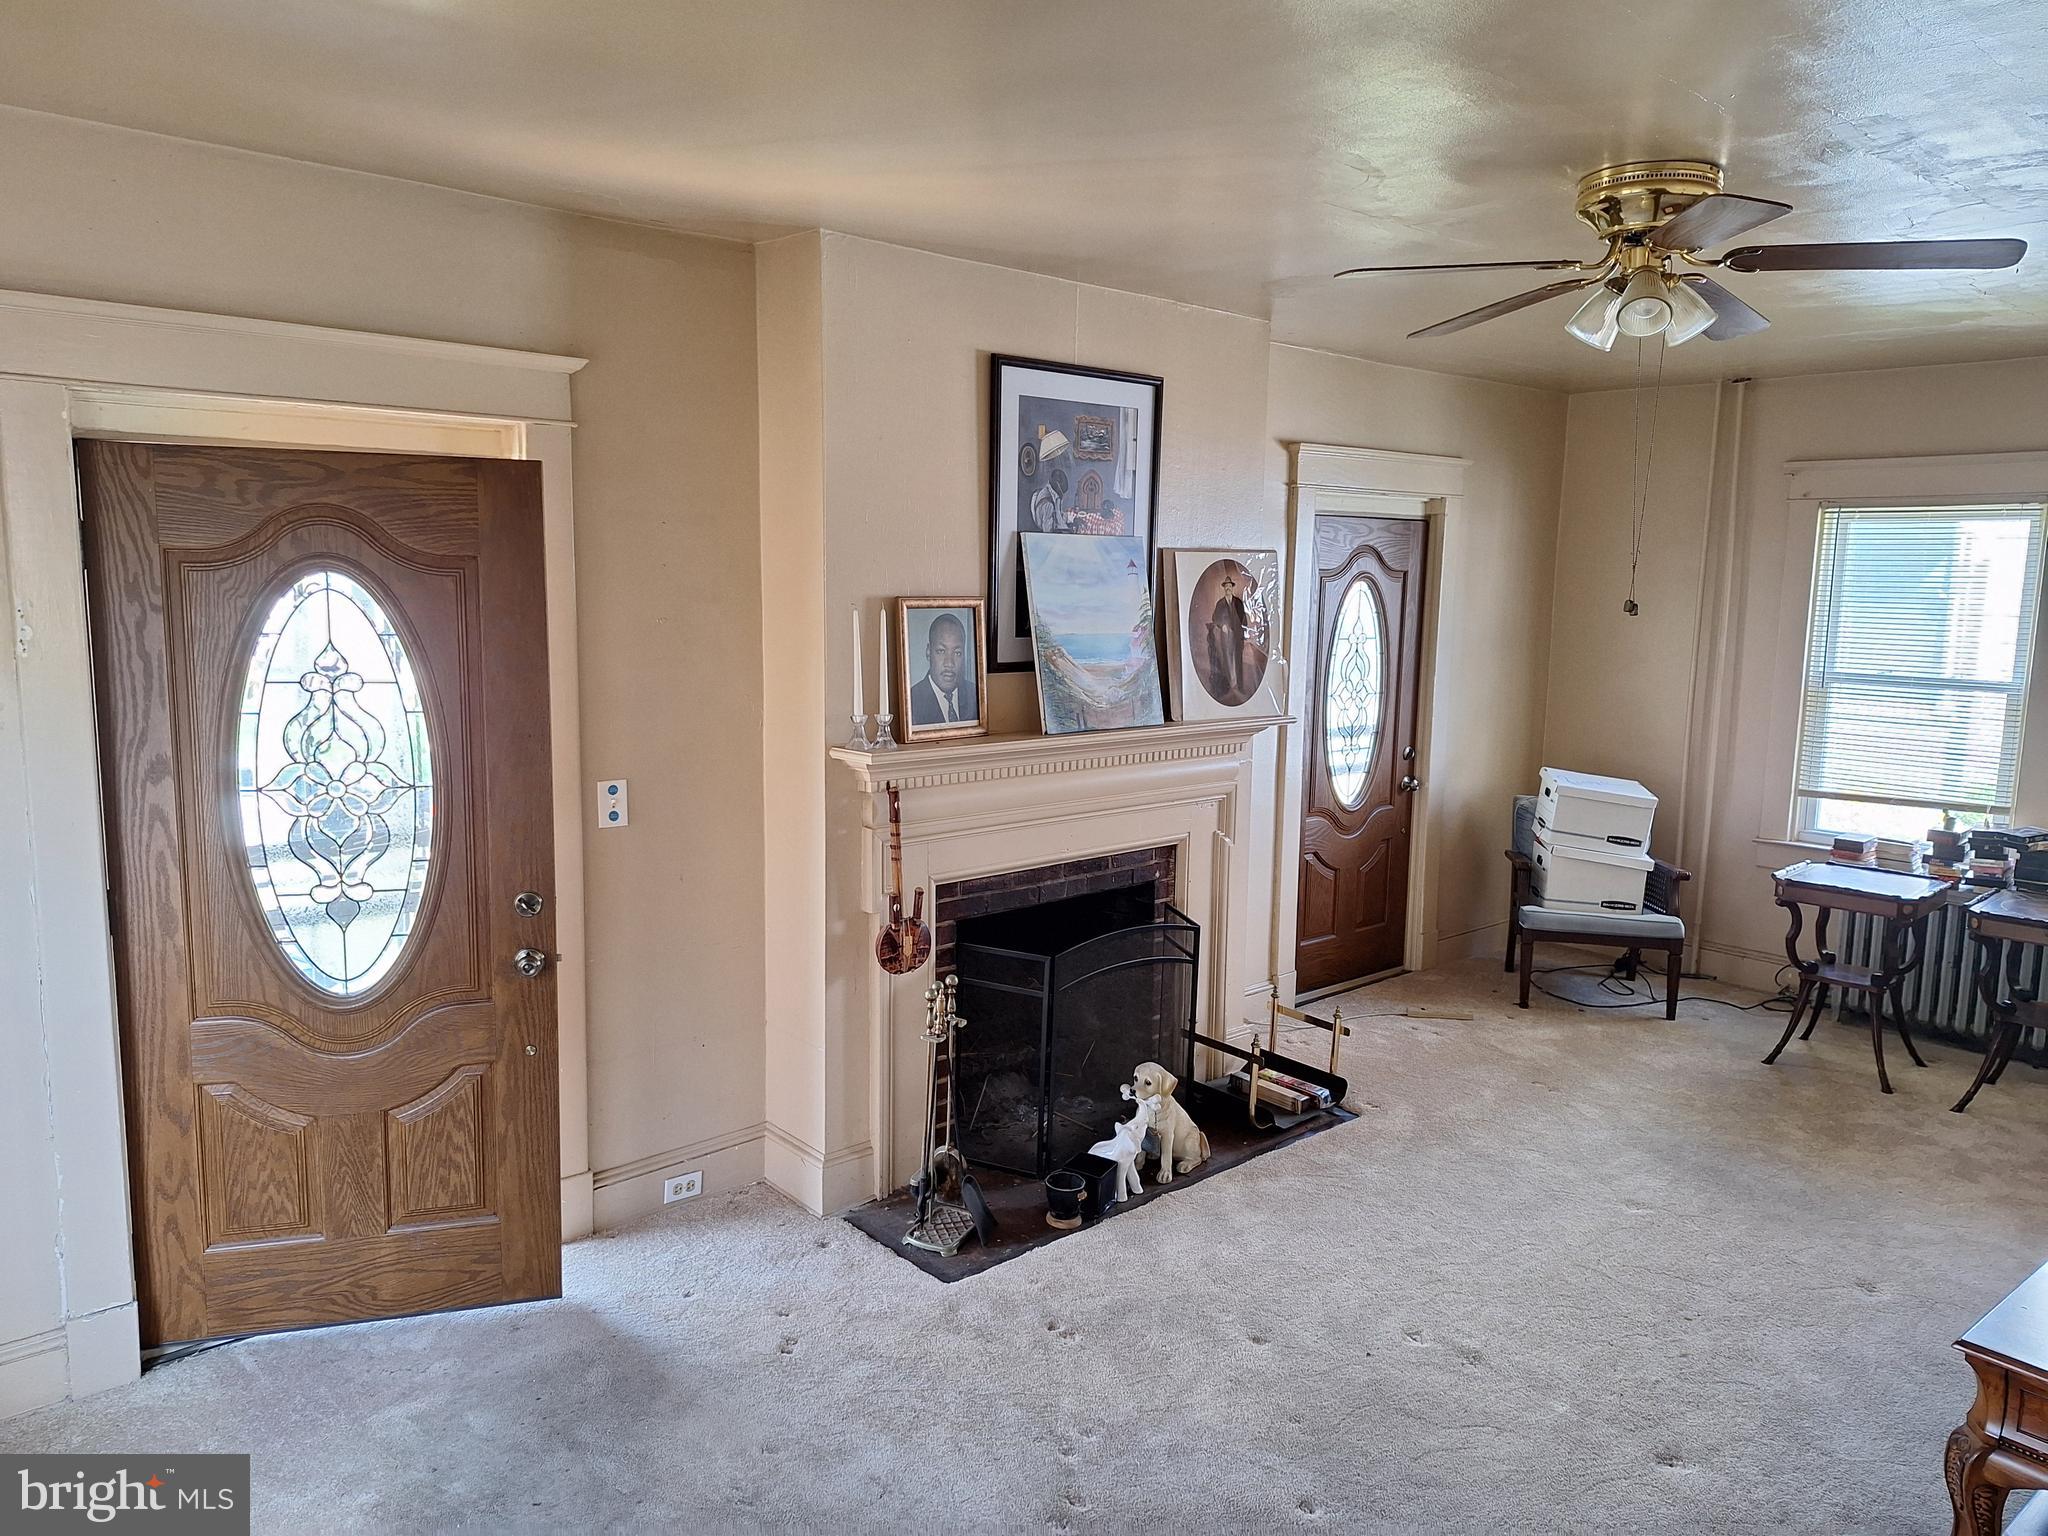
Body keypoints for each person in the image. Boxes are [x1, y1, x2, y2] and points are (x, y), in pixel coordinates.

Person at [908, 611, 977, 726]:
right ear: (928, 652)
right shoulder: (911, 702)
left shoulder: (975, 696)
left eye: (957, 653)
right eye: (941, 651)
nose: (949, 663)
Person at [1205, 572, 1248, 700]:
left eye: (1230, 586)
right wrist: (1221, 625)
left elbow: (1244, 619)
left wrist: (1244, 634)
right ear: (1224, 588)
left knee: (1238, 660)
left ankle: (1239, 686)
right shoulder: (1220, 603)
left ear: (1232, 587)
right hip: (1226, 638)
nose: (1228, 588)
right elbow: (1215, 618)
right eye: (1226, 586)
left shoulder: (1238, 603)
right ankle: (1230, 684)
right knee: (1228, 660)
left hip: (1237, 637)